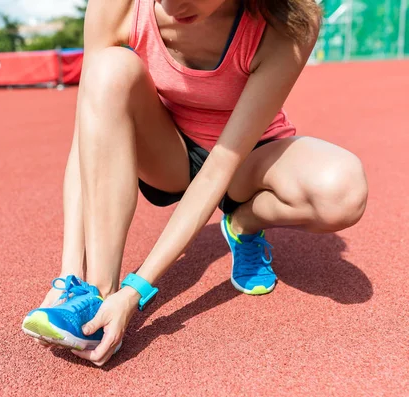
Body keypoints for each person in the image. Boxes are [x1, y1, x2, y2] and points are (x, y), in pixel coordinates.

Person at [22, 0, 368, 367]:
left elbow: (221, 165)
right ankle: (95, 295)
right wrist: (69, 273)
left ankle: (242, 224)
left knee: (343, 191)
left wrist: (135, 291)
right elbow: (87, 135)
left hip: (246, 157)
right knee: (107, 69)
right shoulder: (117, 5)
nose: (172, 7)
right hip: (168, 152)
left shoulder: (287, 20)